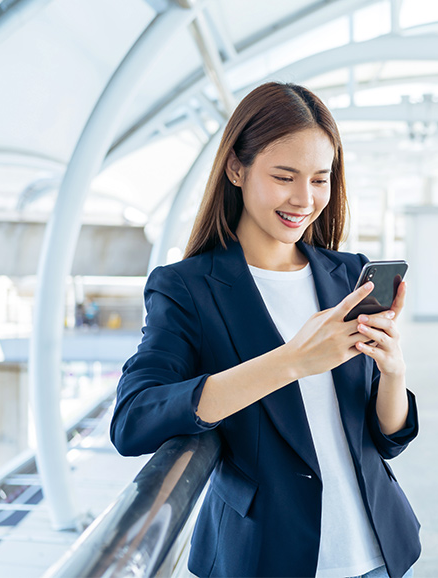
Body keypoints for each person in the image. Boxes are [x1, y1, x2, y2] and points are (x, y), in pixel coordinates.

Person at [110, 82, 420, 578]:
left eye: (321, 179)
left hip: (375, 553)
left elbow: (386, 438)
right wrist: (293, 361)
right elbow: (133, 421)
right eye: (284, 176)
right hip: (263, 557)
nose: (305, 198)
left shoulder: (347, 276)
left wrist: (394, 371)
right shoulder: (187, 288)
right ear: (236, 168)